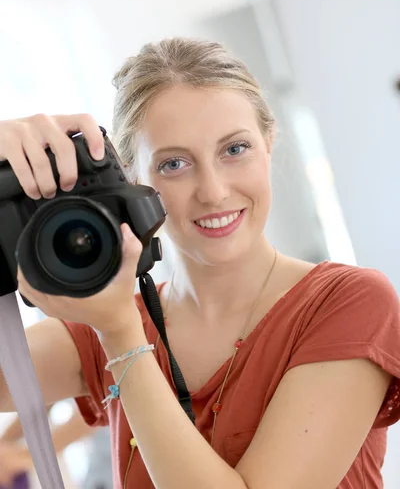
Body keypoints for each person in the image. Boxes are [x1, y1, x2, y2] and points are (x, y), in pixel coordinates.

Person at [0, 37, 399, 489]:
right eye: (173, 164)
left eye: (235, 150)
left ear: (269, 143)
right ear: (132, 178)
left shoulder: (349, 304)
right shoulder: (100, 322)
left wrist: (121, 337)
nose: (212, 191)